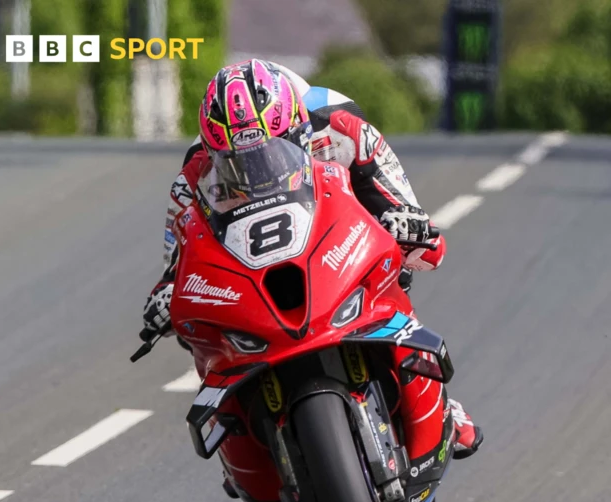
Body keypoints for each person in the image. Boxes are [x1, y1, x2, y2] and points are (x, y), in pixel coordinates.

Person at [142, 59, 483, 462]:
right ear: (213, 151)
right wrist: (167, 294)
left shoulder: (341, 129)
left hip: (335, 223)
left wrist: (410, 223)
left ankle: (441, 403)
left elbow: (412, 217)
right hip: (257, 265)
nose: (258, 168)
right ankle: (242, 447)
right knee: (200, 332)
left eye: (273, 151)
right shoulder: (194, 175)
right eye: (239, 161)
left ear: (298, 129)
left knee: (399, 261)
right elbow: (178, 259)